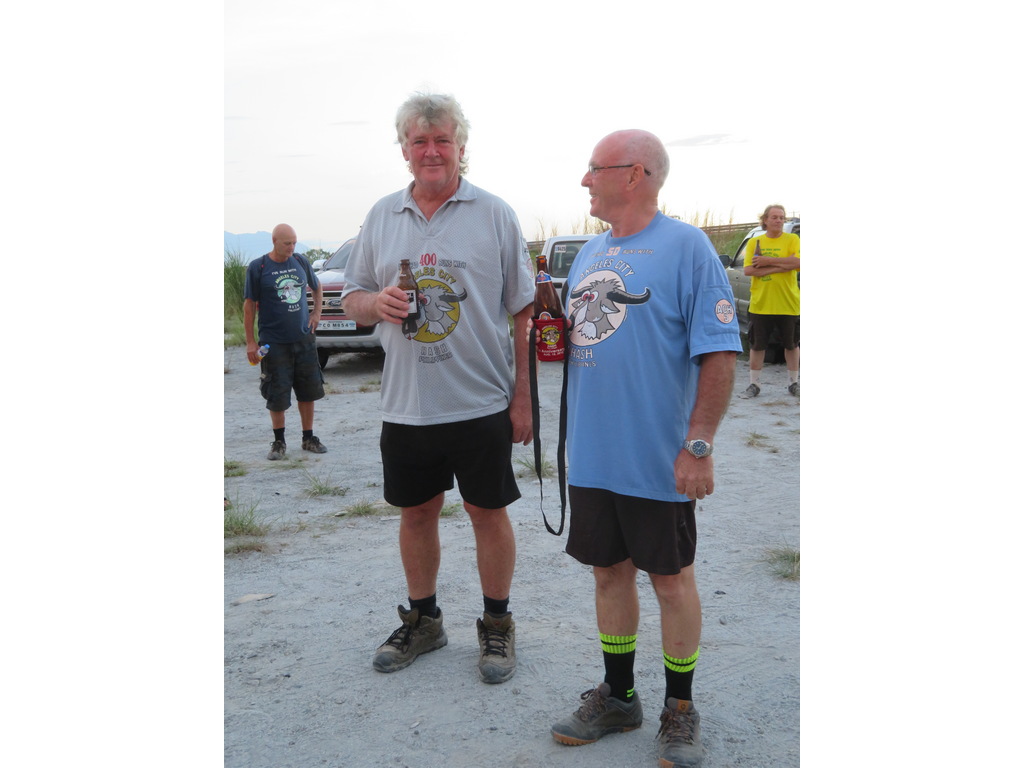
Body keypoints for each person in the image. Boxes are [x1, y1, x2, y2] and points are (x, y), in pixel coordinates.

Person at [549, 130, 741, 768]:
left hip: (658, 457)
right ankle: (620, 696)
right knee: (609, 573)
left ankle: (680, 707)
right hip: (593, 454)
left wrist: (699, 445)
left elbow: (719, 352)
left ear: (634, 175)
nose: (584, 180)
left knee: (670, 580)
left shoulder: (687, 248)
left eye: (594, 168)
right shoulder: (589, 253)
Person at [340, 93, 535, 685]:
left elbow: (523, 311)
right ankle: (424, 621)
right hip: (407, 404)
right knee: (417, 513)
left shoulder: (494, 213)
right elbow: (351, 297)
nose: (431, 151)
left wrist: (523, 397)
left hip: (480, 399)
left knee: (487, 513)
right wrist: (375, 303)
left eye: (442, 140)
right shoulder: (382, 216)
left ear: (460, 147)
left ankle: (497, 624)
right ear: (404, 149)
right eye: (419, 141)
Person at [243, 223, 328, 460]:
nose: (291, 247)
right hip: (273, 343)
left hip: (303, 338)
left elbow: (317, 287)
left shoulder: (300, 261)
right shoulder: (259, 267)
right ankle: (279, 442)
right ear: (274, 242)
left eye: (294, 242)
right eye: (287, 243)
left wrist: (316, 313)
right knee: (277, 394)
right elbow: (249, 306)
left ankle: (308, 437)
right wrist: (250, 342)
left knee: (308, 390)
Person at [740, 204, 801, 397]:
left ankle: (793, 383)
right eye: (774, 217)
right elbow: (749, 270)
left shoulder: (792, 239)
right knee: (757, 346)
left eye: (782, 217)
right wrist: (783, 265)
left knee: (791, 345)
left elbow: (799, 263)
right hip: (761, 304)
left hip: (788, 303)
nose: (778, 221)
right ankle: (754, 384)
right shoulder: (755, 242)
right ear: (765, 220)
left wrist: (767, 262)